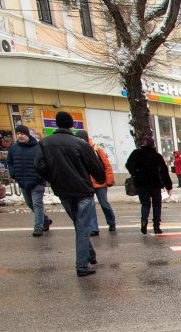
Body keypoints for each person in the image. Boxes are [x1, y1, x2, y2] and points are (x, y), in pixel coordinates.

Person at [32, 111, 104, 276]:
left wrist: (53, 177)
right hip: (83, 190)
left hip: (63, 190)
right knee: (82, 226)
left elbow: (38, 165)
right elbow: (96, 168)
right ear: (71, 125)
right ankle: (82, 266)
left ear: (56, 124)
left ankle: (90, 254)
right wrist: (97, 178)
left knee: (79, 225)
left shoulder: (45, 143)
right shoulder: (80, 144)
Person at [6, 125, 51, 237]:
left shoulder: (38, 147)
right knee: (30, 204)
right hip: (22, 180)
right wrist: (13, 173)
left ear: (27, 134)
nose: (20, 136)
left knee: (37, 204)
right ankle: (45, 220)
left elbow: (45, 162)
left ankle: (38, 228)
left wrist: (41, 175)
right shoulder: (13, 148)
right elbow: (10, 162)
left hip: (37, 181)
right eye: (18, 134)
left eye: (22, 134)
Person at [125, 135, 173, 234]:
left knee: (145, 204)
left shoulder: (136, 153)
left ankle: (144, 221)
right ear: (152, 144)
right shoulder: (157, 156)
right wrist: (168, 186)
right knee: (156, 205)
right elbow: (164, 172)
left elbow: (128, 165)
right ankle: (156, 226)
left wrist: (135, 173)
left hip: (141, 184)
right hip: (155, 184)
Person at [76, 130, 116, 235]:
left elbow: (107, 165)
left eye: (81, 139)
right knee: (90, 206)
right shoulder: (77, 150)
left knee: (104, 203)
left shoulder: (96, 149)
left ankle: (111, 222)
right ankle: (94, 228)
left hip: (100, 182)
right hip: (87, 183)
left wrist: (109, 180)